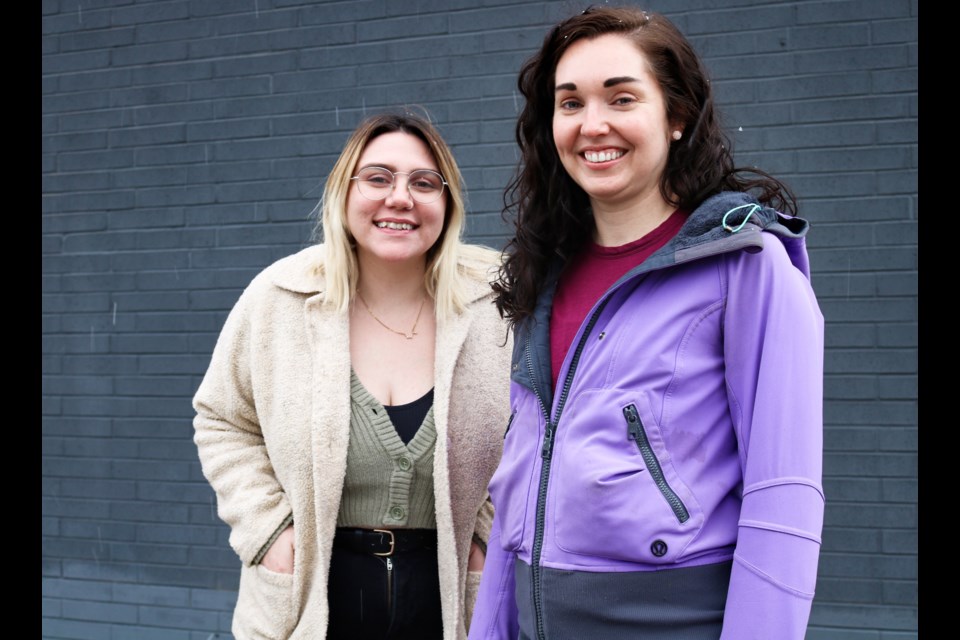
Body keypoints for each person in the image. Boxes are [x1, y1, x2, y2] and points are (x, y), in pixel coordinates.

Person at [469, 7, 824, 640]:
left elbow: (784, 499)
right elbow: (518, 485)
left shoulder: (747, 267)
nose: (592, 124)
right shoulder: (543, 274)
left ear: (677, 116)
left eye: (622, 97)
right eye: (569, 103)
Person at [194, 111, 512, 640]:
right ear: (344, 193)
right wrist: (267, 530)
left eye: (424, 183)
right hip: (311, 594)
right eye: (378, 177)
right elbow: (224, 419)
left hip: (453, 596)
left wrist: (487, 537)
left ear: (447, 204)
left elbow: (542, 428)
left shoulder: (496, 304)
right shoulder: (281, 297)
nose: (400, 198)